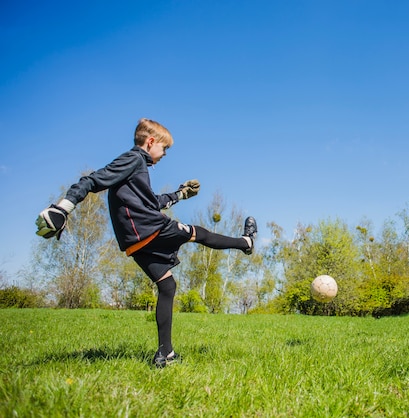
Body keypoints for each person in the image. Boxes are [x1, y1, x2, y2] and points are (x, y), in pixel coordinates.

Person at [35, 118, 257, 368]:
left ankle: (166, 354)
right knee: (197, 232)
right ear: (150, 142)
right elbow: (92, 180)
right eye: (164, 148)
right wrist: (62, 208)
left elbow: (152, 201)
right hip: (148, 229)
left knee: (167, 286)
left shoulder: (135, 170)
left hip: (135, 242)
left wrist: (180, 194)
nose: (164, 154)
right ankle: (246, 242)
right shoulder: (133, 159)